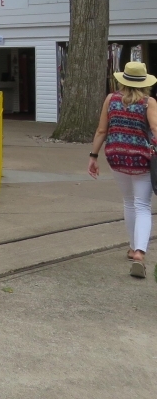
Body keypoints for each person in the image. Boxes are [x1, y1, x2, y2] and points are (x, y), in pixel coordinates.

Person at [87, 61, 157, 279]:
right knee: (143, 205)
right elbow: (155, 128)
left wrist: (93, 156)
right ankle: (139, 252)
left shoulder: (111, 99)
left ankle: (132, 246)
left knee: (128, 202)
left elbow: (101, 130)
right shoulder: (148, 102)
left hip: (116, 157)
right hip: (141, 160)